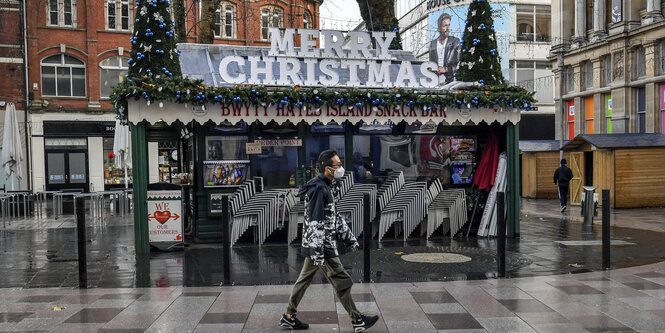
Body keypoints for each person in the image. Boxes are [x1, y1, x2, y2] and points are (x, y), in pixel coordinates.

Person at [280, 149, 379, 332]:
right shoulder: (319, 189)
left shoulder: (327, 185)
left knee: (304, 280)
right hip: (322, 246)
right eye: (338, 165)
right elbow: (316, 222)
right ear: (328, 169)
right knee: (341, 280)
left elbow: (333, 216)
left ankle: (288, 316)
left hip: (317, 245)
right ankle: (357, 320)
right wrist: (318, 253)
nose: (341, 168)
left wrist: (349, 238)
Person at [429, 13, 461, 84]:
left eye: (449, 25)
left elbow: (460, 64)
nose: (448, 29)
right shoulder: (433, 44)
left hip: (451, 80)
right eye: (445, 26)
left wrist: (445, 69)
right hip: (435, 80)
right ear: (439, 28)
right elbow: (431, 62)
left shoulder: (455, 41)